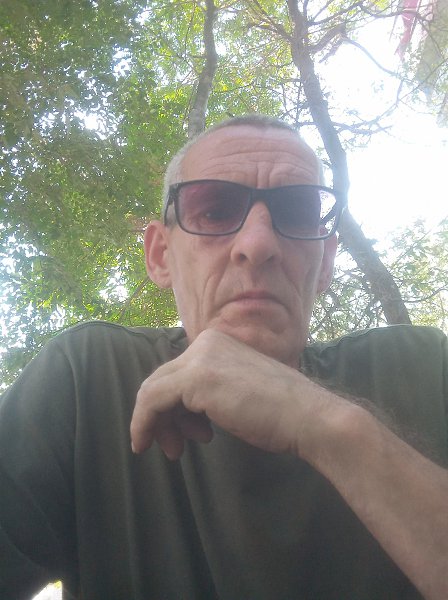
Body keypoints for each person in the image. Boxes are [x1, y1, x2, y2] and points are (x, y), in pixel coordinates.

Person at [0, 115, 447, 600]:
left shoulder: (422, 369)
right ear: (160, 255)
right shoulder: (88, 379)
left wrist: (331, 427)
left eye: (297, 213)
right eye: (213, 210)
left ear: (325, 263)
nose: (258, 245)